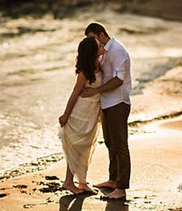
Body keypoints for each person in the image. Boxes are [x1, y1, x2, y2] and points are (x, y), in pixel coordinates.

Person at [79, 22, 132, 200]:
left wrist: (95, 91)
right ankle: (113, 180)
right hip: (107, 103)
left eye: (93, 39)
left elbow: (119, 79)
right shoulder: (103, 52)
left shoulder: (117, 51)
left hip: (118, 102)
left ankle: (121, 188)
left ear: (101, 34)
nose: (92, 44)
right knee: (110, 143)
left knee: (120, 145)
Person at [57, 36, 104, 195]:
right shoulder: (84, 72)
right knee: (77, 147)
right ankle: (68, 182)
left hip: (92, 113)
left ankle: (82, 182)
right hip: (80, 113)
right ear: (92, 51)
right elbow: (74, 94)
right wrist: (65, 115)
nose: (101, 46)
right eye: (98, 45)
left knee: (86, 147)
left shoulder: (100, 63)